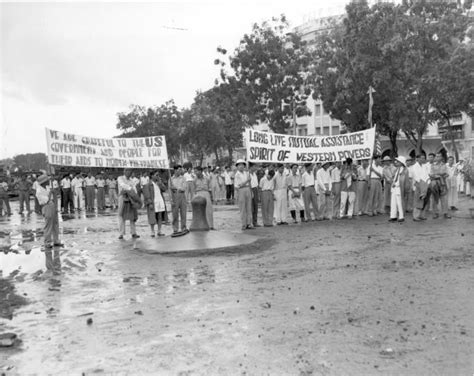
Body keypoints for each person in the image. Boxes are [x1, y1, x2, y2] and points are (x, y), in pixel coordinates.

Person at [35, 175, 62, 248]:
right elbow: (46, 200)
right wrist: (51, 193)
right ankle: (47, 242)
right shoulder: (39, 191)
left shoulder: (47, 187)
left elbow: (53, 197)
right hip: (46, 206)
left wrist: (54, 193)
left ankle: (56, 240)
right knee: (48, 225)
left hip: (52, 205)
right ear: (43, 182)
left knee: (55, 223)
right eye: (47, 180)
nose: (48, 181)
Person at [143, 172, 168, 237]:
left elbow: (164, 189)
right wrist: (150, 203)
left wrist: (160, 183)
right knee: (152, 217)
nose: (157, 176)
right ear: (152, 176)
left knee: (160, 216)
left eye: (158, 175)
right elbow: (147, 195)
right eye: (156, 175)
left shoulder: (159, 183)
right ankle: (152, 231)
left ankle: (159, 230)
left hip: (160, 200)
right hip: (153, 201)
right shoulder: (148, 184)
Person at [117, 168, 141, 239]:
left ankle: (133, 233)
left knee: (132, 216)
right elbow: (122, 185)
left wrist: (130, 191)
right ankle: (121, 234)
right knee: (121, 215)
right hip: (122, 198)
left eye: (130, 171)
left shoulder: (132, 180)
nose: (129, 172)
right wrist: (130, 189)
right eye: (128, 171)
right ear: (124, 171)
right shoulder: (120, 178)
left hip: (131, 199)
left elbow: (135, 190)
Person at [389, 156, 410, 223]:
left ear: (401, 162)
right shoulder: (397, 169)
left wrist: (396, 184)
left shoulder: (405, 170)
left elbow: (403, 180)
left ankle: (401, 216)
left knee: (400, 202)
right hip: (394, 188)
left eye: (397, 161)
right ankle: (393, 216)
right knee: (393, 202)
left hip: (400, 188)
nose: (396, 162)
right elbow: (394, 177)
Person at [429, 152, 450, 219]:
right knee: (435, 199)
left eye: (439, 156)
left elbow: (447, 174)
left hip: (443, 183)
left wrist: (441, 175)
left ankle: (445, 213)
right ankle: (435, 213)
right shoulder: (432, 165)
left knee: (444, 199)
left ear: (441, 157)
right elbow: (431, 174)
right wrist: (439, 175)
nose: (438, 158)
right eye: (437, 156)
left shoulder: (444, 165)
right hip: (435, 183)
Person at [234, 160, 253, 230]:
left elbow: (249, 183)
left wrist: (251, 191)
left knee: (248, 207)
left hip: (247, 189)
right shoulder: (237, 175)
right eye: (239, 165)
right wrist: (247, 181)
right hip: (241, 190)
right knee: (242, 208)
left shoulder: (246, 173)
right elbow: (239, 185)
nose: (241, 166)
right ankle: (243, 224)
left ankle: (249, 223)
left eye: (242, 165)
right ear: (237, 167)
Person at [412, 154, 431, 222]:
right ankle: (416, 216)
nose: (423, 159)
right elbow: (416, 176)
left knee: (425, 200)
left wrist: (427, 182)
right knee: (418, 200)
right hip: (418, 184)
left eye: (424, 158)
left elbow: (427, 174)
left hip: (426, 184)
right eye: (422, 158)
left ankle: (422, 215)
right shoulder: (414, 166)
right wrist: (421, 183)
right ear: (417, 159)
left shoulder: (425, 166)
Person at [170, 165, 188, 234]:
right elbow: (170, 190)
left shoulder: (183, 178)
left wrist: (177, 188)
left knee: (183, 212)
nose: (180, 171)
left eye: (180, 170)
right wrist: (171, 199)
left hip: (182, 195)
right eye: (179, 169)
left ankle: (183, 227)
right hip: (174, 196)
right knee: (175, 213)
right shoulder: (171, 179)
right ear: (175, 170)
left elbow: (184, 187)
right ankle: (175, 228)